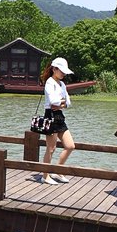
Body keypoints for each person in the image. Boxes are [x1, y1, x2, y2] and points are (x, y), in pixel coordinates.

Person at [39, 57, 75, 185]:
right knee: (51, 148)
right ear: (54, 69)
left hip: (59, 115)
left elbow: (68, 102)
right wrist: (61, 103)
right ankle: (45, 175)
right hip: (50, 115)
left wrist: (61, 104)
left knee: (70, 146)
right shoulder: (49, 82)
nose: (63, 73)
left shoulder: (62, 84)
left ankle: (58, 170)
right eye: (61, 70)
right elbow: (53, 102)